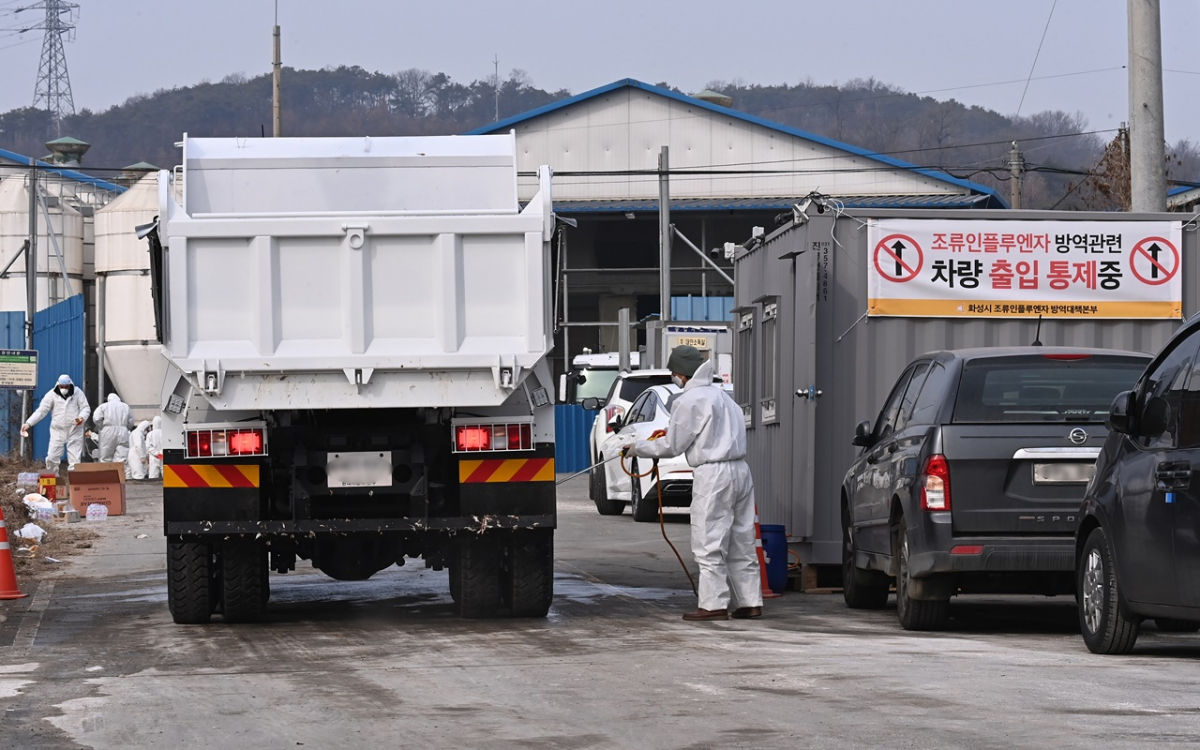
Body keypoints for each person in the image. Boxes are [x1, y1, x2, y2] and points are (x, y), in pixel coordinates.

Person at [623, 346, 763, 621]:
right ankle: (750, 602)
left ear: (680, 374)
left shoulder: (690, 400)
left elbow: (673, 445)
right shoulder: (724, 398)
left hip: (713, 474)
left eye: (674, 374)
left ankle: (712, 605)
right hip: (741, 471)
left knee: (708, 541)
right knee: (741, 540)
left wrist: (636, 448)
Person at [22, 374, 92, 474]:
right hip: (58, 430)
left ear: (70, 385)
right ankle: (53, 480)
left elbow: (85, 408)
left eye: (66, 387)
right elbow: (41, 411)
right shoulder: (52, 394)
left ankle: (74, 483)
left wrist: (81, 418)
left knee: (75, 460)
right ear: (58, 385)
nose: (64, 389)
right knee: (52, 457)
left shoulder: (77, 393)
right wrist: (28, 423)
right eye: (61, 386)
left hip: (75, 429)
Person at [92, 393, 135, 463]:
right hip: (123, 431)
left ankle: (106, 472)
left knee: (106, 456)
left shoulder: (104, 406)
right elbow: (131, 420)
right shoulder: (125, 406)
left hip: (108, 430)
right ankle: (120, 472)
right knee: (122, 456)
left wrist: (102, 426)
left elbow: (96, 418)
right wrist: (126, 428)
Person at [146, 415, 163, 480]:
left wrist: (156, 454)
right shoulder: (164, 433)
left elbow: (148, 446)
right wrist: (160, 453)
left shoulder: (150, 434)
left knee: (153, 477)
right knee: (166, 477)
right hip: (163, 456)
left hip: (153, 457)